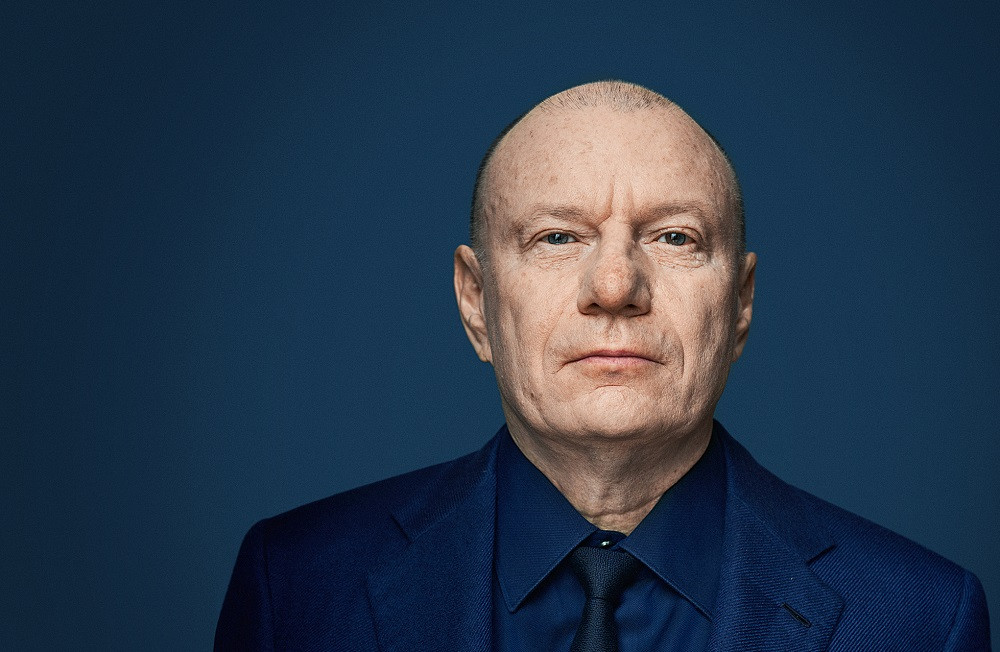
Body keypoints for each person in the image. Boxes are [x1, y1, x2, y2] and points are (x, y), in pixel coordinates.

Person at [216, 81, 990, 650]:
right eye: (557, 237)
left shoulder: (923, 619)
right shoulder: (295, 587)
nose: (615, 286)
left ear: (741, 304)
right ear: (477, 301)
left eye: (675, 237)